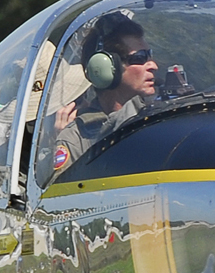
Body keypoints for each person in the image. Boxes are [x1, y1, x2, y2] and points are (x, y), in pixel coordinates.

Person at [47, 11, 158, 177]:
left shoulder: (161, 114)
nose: (153, 66)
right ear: (105, 68)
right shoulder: (77, 139)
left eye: (150, 55)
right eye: (140, 58)